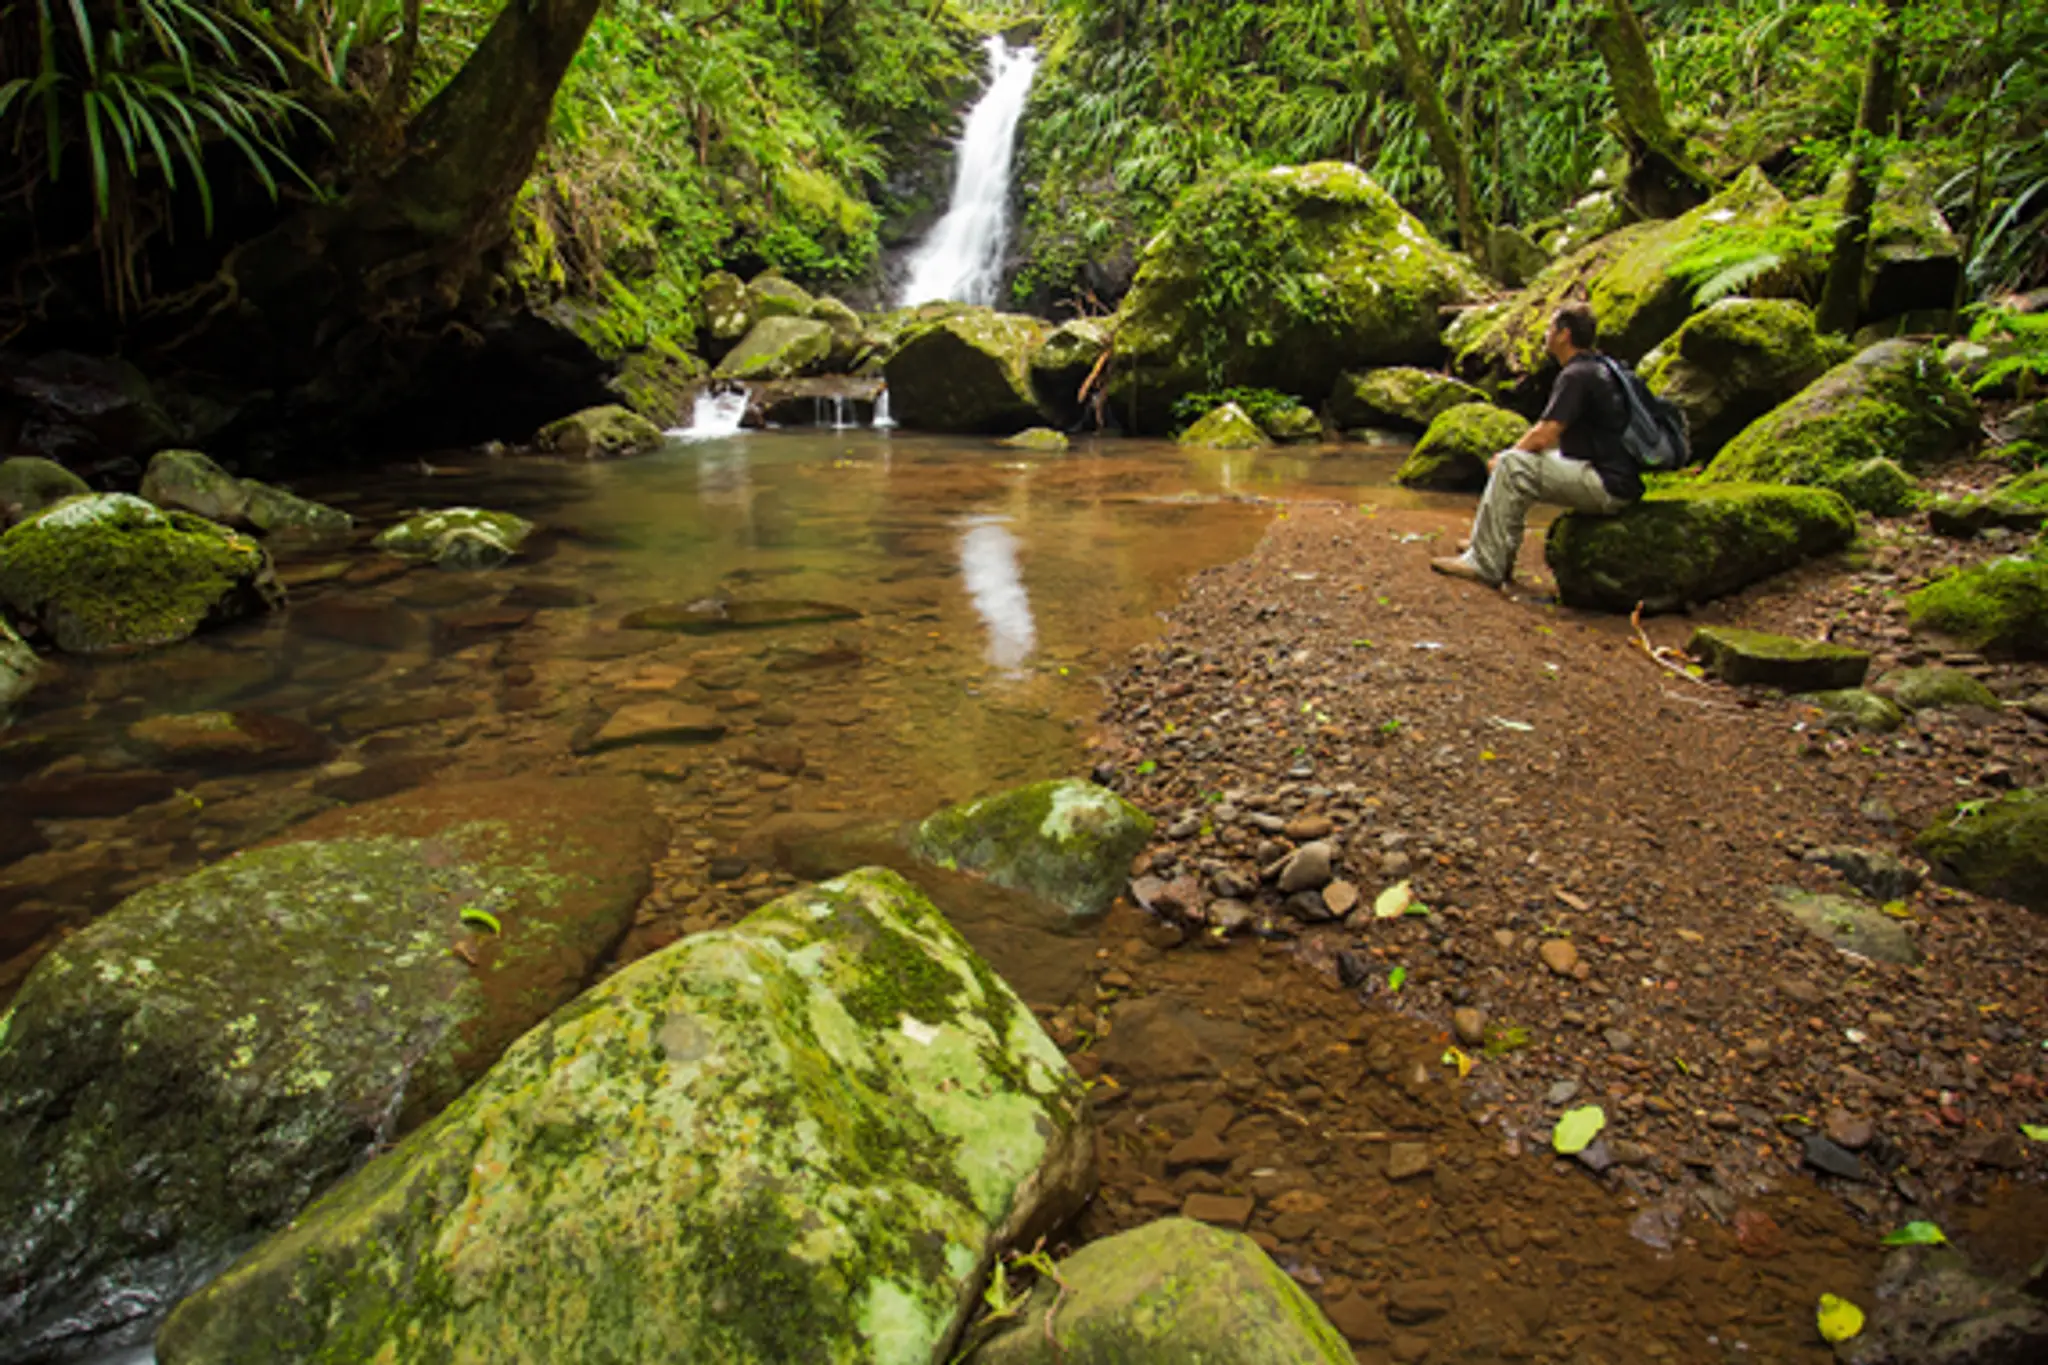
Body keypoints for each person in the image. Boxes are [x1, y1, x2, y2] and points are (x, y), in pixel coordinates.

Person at [1430, 302, 1639, 588]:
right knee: (1524, 460)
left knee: (1513, 465)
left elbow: (1545, 433)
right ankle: (1488, 542)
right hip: (1613, 477)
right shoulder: (1598, 367)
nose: (1546, 334)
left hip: (1605, 484)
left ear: (1564, 334)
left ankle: (1486, 563)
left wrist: (1506, 455)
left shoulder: (1576, 375)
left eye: (1551, 328)